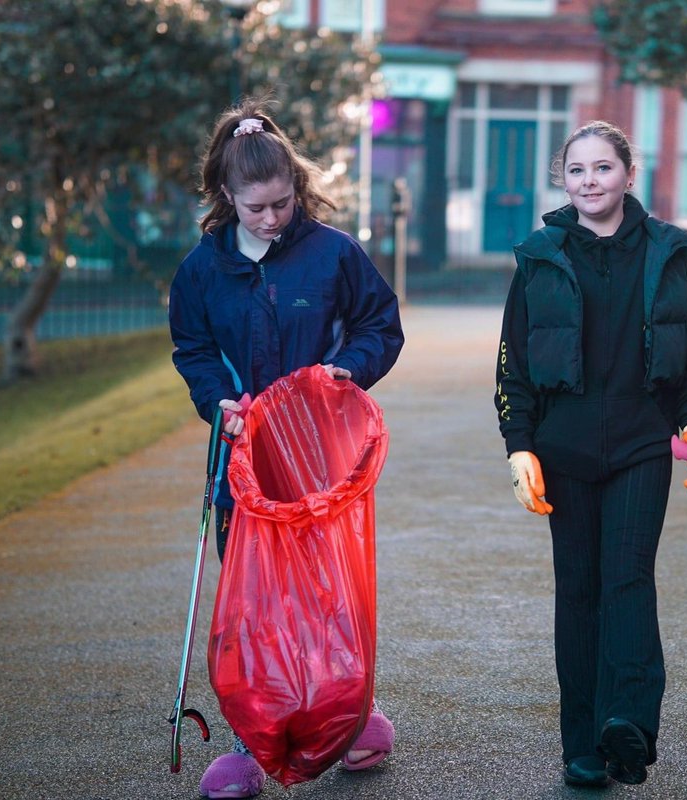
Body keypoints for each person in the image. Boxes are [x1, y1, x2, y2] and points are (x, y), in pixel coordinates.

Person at [169, 97, 404, 799]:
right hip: (242, 467)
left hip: (321, 465)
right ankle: (251, 742)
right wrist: (219, 402)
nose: (272, 218)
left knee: (329, 601)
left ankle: (346, 718)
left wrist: (348, 371)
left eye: (282, 203)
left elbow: (379, 326)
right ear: (226, 196)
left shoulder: (333, 253)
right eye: (257, 208)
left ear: (296, 189)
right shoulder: (200, 271)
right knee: (253, 609)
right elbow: (194, 350)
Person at [494, 120, 687, 788]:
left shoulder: (669, 254)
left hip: (640, 444)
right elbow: (512, 365)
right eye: (576, 170)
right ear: (563, 180)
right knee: (580, 590)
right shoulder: (539, 256)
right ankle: (582, 743)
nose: (589, 181)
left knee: (627, 579)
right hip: (562, 450)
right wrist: (520, 447)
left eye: (602, 168)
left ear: (628, 173)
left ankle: (628, 725)